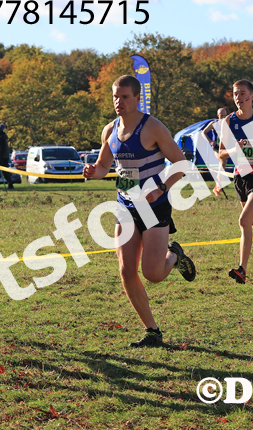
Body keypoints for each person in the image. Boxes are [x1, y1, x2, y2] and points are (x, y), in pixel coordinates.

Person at [83, 75, 196, 347]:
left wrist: (161, 187)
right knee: (126, 270)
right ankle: (152, 331)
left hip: (153, 207)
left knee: (153, 274)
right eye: (115, 96)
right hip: (125, 206)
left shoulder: (153, 127)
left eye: (124, 97)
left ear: (137, 98)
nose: (118, 102)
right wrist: (93, 172)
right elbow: (103, 166)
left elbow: (181, 164)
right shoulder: (109, 130)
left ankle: (174, 254)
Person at [215, 82, 253, 284]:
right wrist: (233, 150)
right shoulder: (228, 121)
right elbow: (221, 153)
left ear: (252, 96)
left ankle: (242, 269)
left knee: (244, 221)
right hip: (241, 176)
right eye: (235, 94)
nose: (238, 97)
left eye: (242, 93)